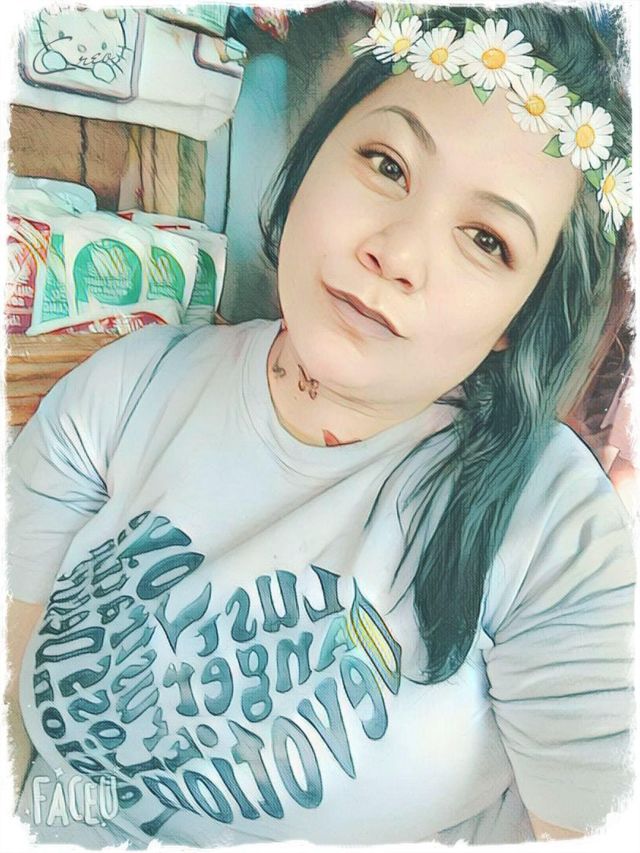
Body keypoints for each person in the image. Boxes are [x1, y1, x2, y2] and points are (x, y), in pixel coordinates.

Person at [6, 3, 635, 848]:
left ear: (516, 322)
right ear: (313, 158)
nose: (396, 254)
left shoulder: (556, 529)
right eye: (387, 163)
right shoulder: (126, 390)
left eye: (486, 240)